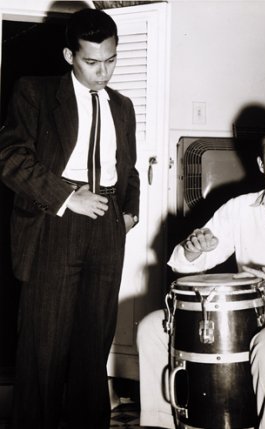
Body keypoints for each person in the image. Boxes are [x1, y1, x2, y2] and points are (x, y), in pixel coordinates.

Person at [137, 120, 265, 429]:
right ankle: (163, 425)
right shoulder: (240, 209)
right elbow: (184, 262)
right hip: (246, 327)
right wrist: (194, 250)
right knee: (155, 326)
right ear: (262, 164)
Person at [0, 8, 139, 429]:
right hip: (55, 223)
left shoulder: (124, 105)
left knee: (93, 346)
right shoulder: (34, 93)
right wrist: (67, 196)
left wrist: (129, 209)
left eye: (111, 60)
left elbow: (126, 166)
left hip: (108, 223)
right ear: (68, 55)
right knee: (44, 348)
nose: (103, 72)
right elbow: (10, 158)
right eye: (92, 62)